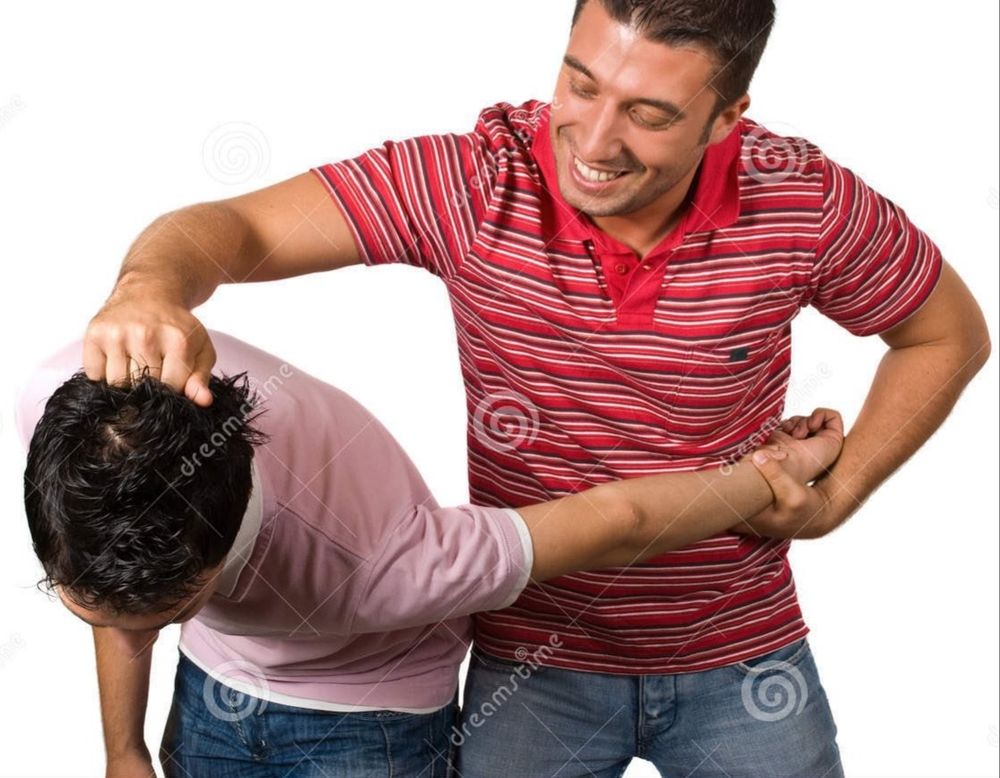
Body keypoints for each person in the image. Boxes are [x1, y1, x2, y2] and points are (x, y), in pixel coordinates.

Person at [79, 1, 991, 775]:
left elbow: (947, 334)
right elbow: (230, 226)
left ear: (728, 117)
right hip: (532, 662)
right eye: (581, 84)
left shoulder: (803, 199)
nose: (592, 141)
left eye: (650, 113)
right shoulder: (479, 180)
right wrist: (149, 287)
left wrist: (841, 492)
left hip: (741, 651)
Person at [20, 331, 840, 778]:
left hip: (366, 726)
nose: (126, 630)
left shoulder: (383, 564)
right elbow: (116, 584)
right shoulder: (74, 406)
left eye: (167, 612)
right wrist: (122, 753)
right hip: (215, 689)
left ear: (214, 565)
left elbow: (618, 517)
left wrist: (777, 477)